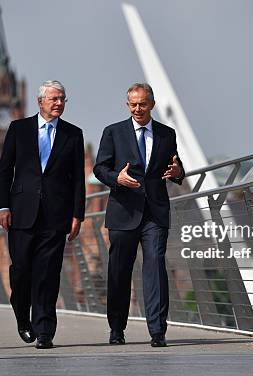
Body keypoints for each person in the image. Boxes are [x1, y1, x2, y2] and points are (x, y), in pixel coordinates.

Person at [93, 82, 184, 348]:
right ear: (127, 105)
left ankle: (158, 331)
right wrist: (117, 179)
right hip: (123, 213)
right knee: (119, 271)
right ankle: (117, 329)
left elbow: (176, 168)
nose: (137, 109)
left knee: (155, 267)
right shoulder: (113, 132)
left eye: (142, 104)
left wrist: (178, 174)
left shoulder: (167, 134)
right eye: (133, 104)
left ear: (152, 104)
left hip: (155, 214)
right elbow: (100, 168)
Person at [0, 80, 85, 349]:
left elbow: (79, 179)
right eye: (54, 99)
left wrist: (77, 215)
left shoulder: (73, 134)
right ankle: (23, 317)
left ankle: (45, 331)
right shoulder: (18, 129)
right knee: (21, 271)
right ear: (40, 102)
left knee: (47, 274)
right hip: (21, 213)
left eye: (62, 99)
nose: (58, 103)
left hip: (56, 216)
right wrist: (3, 207)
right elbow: (4, 171)